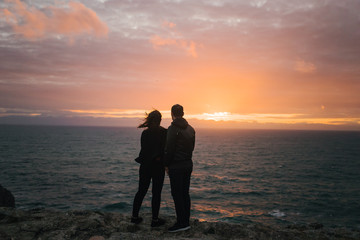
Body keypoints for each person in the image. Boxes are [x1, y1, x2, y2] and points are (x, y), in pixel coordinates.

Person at [131, 110, 167, 227]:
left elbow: (144, 150)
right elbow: (165, 150)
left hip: (145, 165)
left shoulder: (145, 133)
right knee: (156, 193)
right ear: (159, 120)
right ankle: (155, 220)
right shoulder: (164, 132)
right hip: (158, 166)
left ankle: (134, 217)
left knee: (141, 191)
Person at [164, 104, 196, 232]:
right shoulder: (191, 129)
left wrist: (166, 164)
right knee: (185, 193)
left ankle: (181, 223)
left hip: (176, 166)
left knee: (177, 194)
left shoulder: (172, 129)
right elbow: (192, 147)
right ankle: (186, 221)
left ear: (172, 114)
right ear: (183, 113)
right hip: (188, 164)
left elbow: (169, 149)